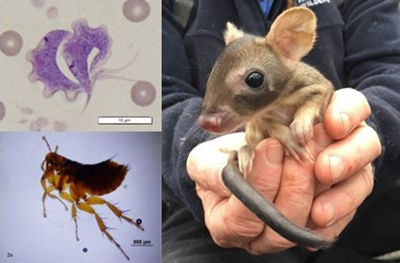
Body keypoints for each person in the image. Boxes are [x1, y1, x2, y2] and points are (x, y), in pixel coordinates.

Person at [162, 0, 400, 262]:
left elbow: (391, 72)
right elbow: (135, 101)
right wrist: (194, 152)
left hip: (358, 189)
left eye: (253, 81)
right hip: (209, 210)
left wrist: (369, 130)